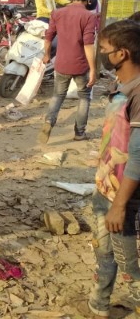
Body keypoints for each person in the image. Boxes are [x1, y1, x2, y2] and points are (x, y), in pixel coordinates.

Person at [85, 20, 140, 317]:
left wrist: (119, 206)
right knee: (103, 251)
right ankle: (99, 304)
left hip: (124, 197)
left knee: (129, 268)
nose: (101, 54)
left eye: (105, 49)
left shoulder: (138, 92)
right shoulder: (122, 85)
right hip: (106, 187)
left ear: (122, 54)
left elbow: (138, 157)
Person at [38, 0, 98, 144]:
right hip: (81, 65)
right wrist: (93, 69)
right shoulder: (89, 16)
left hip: (61, 63)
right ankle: (79, 133)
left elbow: (48, 37)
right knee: (84, 98)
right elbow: (88, 45)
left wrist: (46, 55)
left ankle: (49, 121)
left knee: (58, 95)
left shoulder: (57, 13)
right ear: (88, 0)